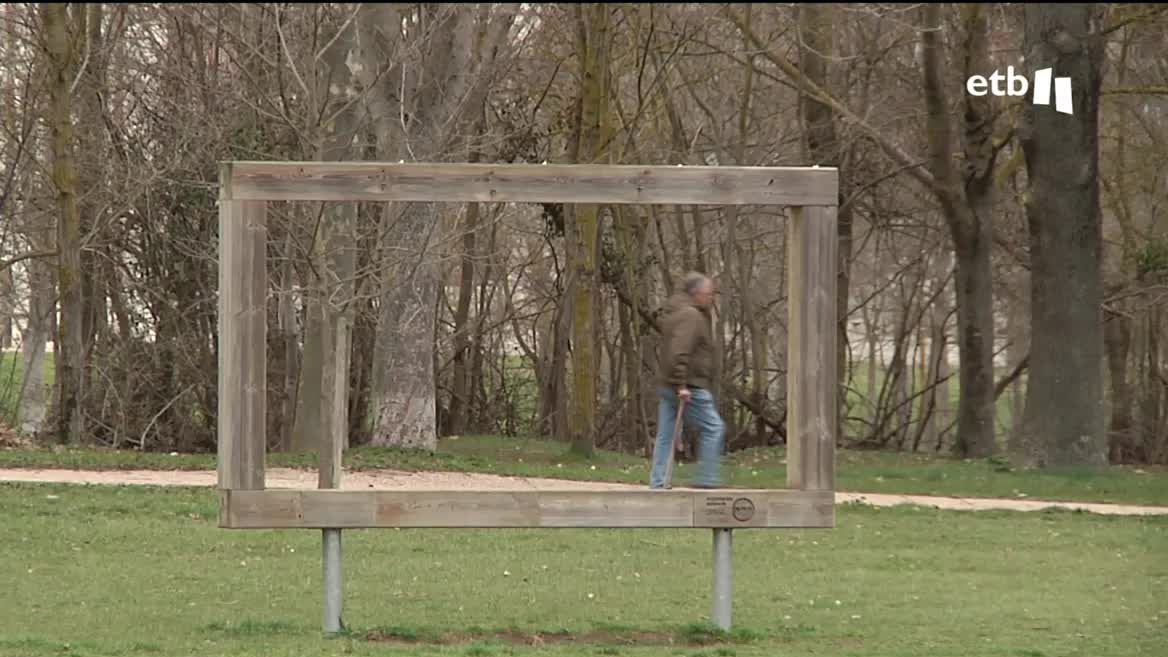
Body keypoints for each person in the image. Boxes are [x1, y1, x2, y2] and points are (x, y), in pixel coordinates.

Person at [650, 272, 725, 489]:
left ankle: (658, 482)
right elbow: (679, 352)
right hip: (688, 385)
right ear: (696, 293)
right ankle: (707, 478)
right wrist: (681, 385)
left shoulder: (677, 312)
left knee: (666, 434)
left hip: (669, 384)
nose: (711, 298)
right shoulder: (691, 316)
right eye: (708, 294)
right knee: (714, 427)